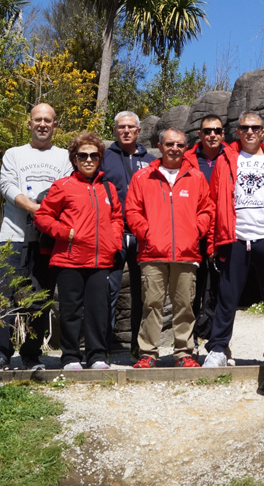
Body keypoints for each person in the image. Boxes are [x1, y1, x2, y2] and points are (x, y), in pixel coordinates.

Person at [202, 111, 264, 368]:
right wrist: (213, 241)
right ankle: (217, 349)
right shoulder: (225, 160)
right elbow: (213, 203)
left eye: (255, 128)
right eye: (245, 127)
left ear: (263, 132)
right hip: (235, 238)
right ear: (237, 131)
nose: (250, 132)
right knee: (226, 297)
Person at [0, 103, 73, 371]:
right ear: (30, 123)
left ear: (55, 125)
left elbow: (66, 190)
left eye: (48, 120)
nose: (42, 124)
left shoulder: (65, 157)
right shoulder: (14, 154)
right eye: (38, 120)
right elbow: (7, 185)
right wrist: (36, 209)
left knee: (40, 299)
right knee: (3, 296)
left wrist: (46, 214)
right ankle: (0, 354)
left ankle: (31, 354)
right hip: (12, 236)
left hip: (46, 241)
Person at [34, 132, 124, 370]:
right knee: (71, 311)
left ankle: (96, 356)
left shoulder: (108, 188)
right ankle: (71, 357)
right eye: (83, 155)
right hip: (69, 260)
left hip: (100, 261)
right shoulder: (63, 186)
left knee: (98, 311)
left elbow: (117, 218)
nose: (88, 160)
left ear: (100, 158)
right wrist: (66, 233)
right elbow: (42, 216)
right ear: (74, 159)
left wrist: (114, 242)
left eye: (94, 155)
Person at [126, 128, 213, 368]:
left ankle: (184, 353)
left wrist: (195, 231)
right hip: (152, 253)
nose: (175, 148)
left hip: (186, 252)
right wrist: (147, 233)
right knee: (151, 304)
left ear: (185, 148)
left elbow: (207, 210)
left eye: (180, 145)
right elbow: (132, 210)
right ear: (160, 146)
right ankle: (147, 353)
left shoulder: (196, 177)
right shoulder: (143, 177)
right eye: (170, 144)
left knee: (184, 306)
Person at [99, 110, 155, 355]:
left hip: (143, 233)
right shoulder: (103, 157)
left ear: (139, 130)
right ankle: (102, 347)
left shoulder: (151, 160)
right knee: (108, 290)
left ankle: (139, 347)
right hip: (114, 232)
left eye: (130, 127)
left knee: (143, 292)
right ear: (115, 130)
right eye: (121, 127)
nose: (126, 130)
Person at [183, 114, 226, 337]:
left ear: (223, 134)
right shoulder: (186, 158)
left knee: (220, 289)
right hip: (194, 230)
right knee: (192, 288)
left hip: (223, 230)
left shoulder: (232, 157)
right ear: (199, 134)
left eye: (217, 131)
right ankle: (189, 340)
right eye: (207, 131)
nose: (212, 135)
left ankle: (216, 339)